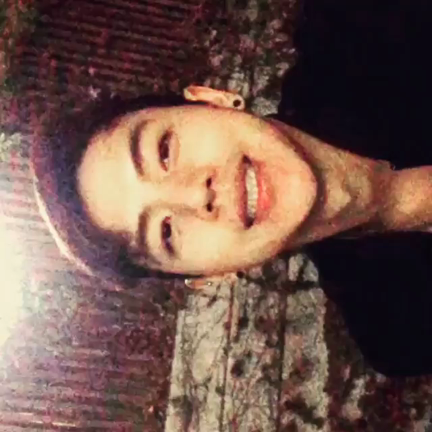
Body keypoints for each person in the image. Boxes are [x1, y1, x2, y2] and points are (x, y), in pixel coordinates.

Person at [31, 85, 432, 289]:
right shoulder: (395, 328)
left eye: (164, 151)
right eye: (166, 234)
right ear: (214, 276)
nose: (195, 196)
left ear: (212, 99)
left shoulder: (376, 21)